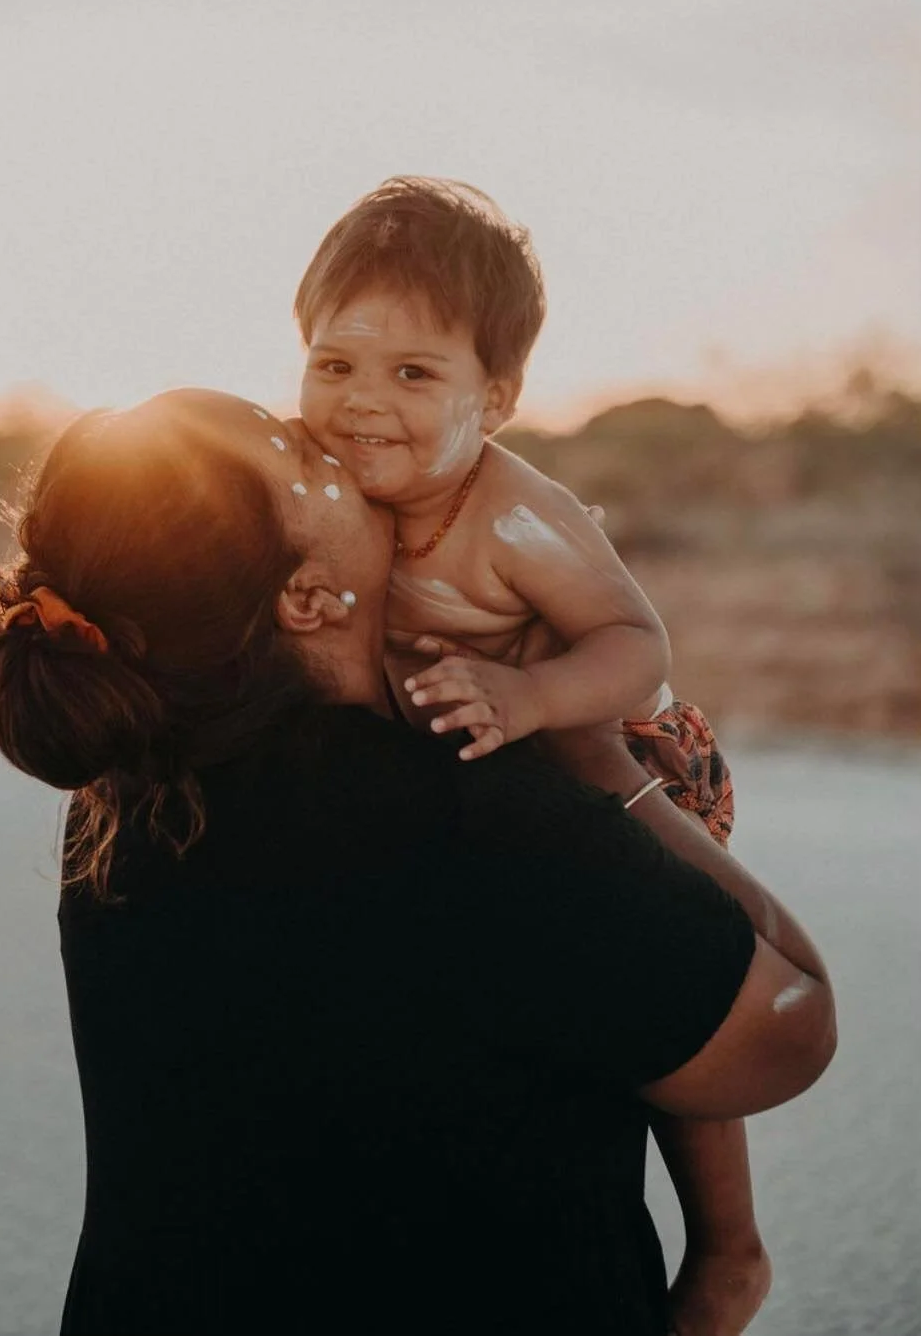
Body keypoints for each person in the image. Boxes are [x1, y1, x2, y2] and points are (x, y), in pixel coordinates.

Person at [0, 387, 835, 1336]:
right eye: (304, 457)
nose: (341, 441)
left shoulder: (127, 808)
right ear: (303, 598)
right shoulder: (466, 817)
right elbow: (789, 1033)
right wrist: (589, 749)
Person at [293, 176, 761, 1334]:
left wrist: (532, 690)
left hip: (619, 751)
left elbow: (637, 647)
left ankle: (729, 1247)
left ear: (492, 400)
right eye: (336, 363)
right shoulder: (316, 484)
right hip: (463, 776)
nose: (361, 403)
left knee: (675, 978)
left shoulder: (509, 516)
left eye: (414, 375)